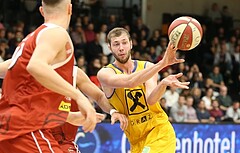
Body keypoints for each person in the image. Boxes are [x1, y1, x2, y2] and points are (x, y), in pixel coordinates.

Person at [0, 0, 97, 152]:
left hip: (12, 127)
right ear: (70, 9)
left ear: (42, 10)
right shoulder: (56, 33)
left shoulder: (32, 38)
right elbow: (36, 66)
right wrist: (79, 97)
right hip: (26, 129)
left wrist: (69, 117)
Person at [97, 27, 190, 153]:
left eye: (124, 42)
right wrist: (162, 64)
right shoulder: (105, 73)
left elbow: (151, 100)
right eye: (116, 44)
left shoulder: (147, 66)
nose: (121, 48)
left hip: (159, 131)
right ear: (109, 47)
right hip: (136, 141)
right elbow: (129, 82)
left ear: (131, 44)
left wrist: (162, 84)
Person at [51, 66, 128, 153]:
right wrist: (69, 117)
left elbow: (99, 96)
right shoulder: (36, 73)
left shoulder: (75, 73)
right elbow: (36, 112)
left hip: (65, 142)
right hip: (41, 135)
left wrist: (113, 111)